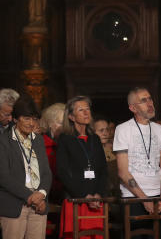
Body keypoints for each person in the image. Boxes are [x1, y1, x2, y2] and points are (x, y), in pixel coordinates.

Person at [113, 87, 161, 233]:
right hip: (133, 198)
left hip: (158, 198)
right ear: (133, 107)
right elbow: (123, 172)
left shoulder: (160, 129)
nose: (150, 103)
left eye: (150, 99)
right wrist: (144, 199)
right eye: (143, 100)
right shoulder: (123, 129)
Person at [0, 96, 51, 239]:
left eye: (34, 119)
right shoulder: (2, 141)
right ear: (15, 119)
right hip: (14, 204)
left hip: (38, 205)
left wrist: (42, 194)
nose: (31, 123)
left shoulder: (38, 140)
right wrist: (30, 196)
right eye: (26, 118)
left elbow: (46, 173)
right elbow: (4, 178)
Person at [57, 97, 108, 239]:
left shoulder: (95, 139)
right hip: (77, 200)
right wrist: (85, 196)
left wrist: (98, 194)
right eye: (81, 110)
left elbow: (103, 171)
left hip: (95, 202)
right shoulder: (65, 139)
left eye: (88, 109)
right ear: (71, 116)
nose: (86, 113)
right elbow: (62, 172)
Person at [40, 102, 66, 203]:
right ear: (50, 123)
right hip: (46, 197)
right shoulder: (41, 144)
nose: (64, 127)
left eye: (66, 123)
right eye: (60, 123)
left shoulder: (68, 143)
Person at [92, 118, 119, 197]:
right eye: (101, 130)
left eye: (107, 130)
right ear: (93, 132)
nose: (105, 133)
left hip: (115, 195)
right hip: (99, 195)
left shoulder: (113, 151)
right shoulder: (90, 152)